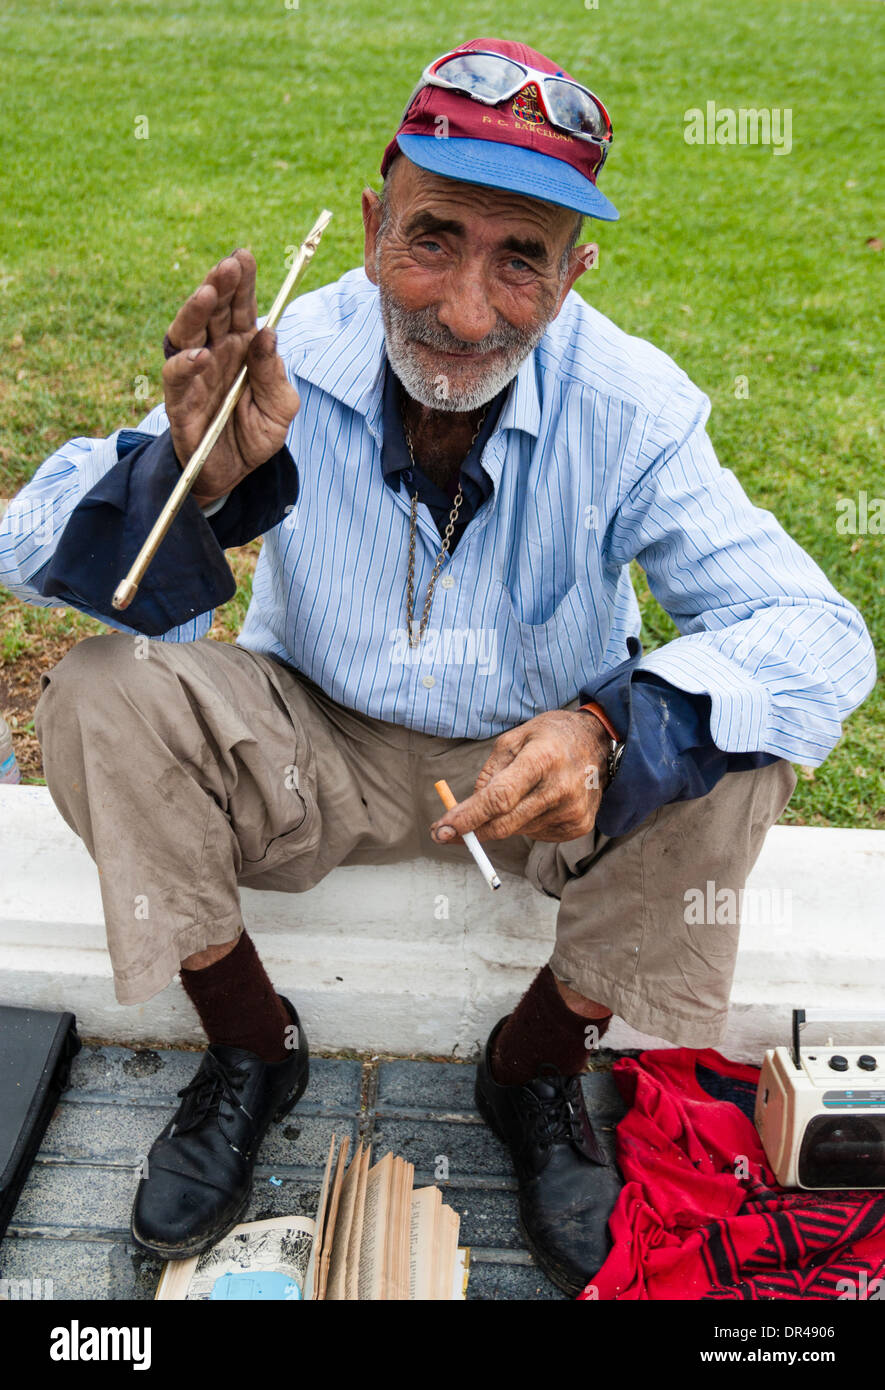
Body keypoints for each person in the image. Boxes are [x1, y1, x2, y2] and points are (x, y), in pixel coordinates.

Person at [0, 36, 874, 1295]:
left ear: (574, 277)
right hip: (313, 741)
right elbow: (30, 545)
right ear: (370, 225)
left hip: (538, 766)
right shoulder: (287, 355)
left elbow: (818, 633)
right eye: (434, 238)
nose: (465, 312)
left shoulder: (633, 406)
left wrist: (606, 728)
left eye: (521, 258)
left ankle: (535, 1060)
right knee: (100, 692)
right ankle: (252, 1044)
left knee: (738, 743)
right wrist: (186, 484)